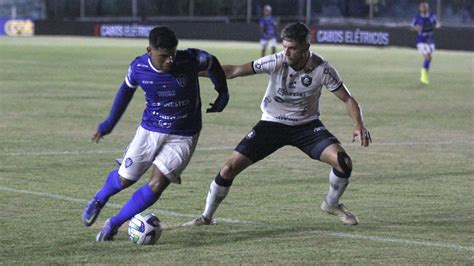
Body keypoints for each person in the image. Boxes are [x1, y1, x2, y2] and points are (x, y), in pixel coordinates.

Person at [185, 22, 371, 227]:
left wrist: (358, 124)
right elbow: (234, 71)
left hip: (306, 127)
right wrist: (191, 71)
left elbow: (347, 98)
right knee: (229, 168)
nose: (287, 52)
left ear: (306, 47)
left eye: (293, 48)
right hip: (272, 125)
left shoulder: (323, 69)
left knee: (343, 161)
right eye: (284, 46)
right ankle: (206, 217)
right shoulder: (276, 61)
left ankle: (331, 203)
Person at [81, 26, 229, 241]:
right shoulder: (138, 67)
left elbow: (212, 62)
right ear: (149, 50)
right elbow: (124, 92)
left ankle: (115, 223)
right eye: (164, 56)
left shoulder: (190, 59)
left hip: (184, 134)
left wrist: (222, 91)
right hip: (150, 130)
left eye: (172, 54)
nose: (170, 60)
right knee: (124, 180)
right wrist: (109, 124)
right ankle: (100, 198)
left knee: (158, 184)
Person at [411, 1, 437, 85]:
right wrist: (416, 28)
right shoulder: (417, 17)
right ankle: (423, 76)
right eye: (422, 7)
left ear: (427, 7)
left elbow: (436, 24)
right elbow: (412, 27)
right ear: (420, 8)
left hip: (430, 40)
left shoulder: (432, 16)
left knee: (429, 58)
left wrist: (437, 25)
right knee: (427, 56)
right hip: (421, 41)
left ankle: (424, 74)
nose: (424, 8)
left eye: (425, 6)